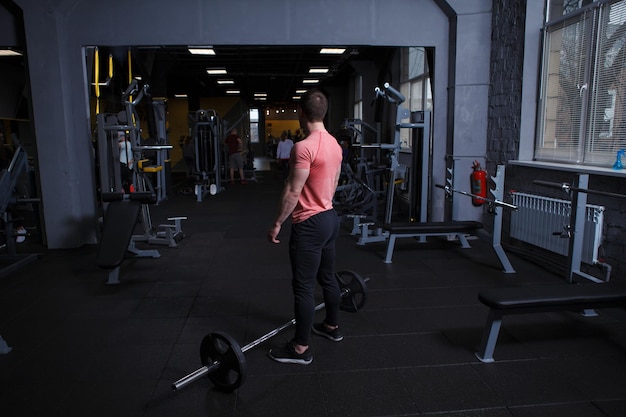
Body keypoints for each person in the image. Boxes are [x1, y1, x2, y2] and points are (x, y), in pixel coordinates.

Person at [267, 89, 343, 365]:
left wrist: (277, 223)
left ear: (301, 113)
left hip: (309, 224)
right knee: (328, 277)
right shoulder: (335, 144)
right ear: (324, 113)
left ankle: (300, 348)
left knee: (303, 287)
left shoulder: (304, 147)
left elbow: (292, 191)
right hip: (330, 217)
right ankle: (332, 327)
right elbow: (332, 184)